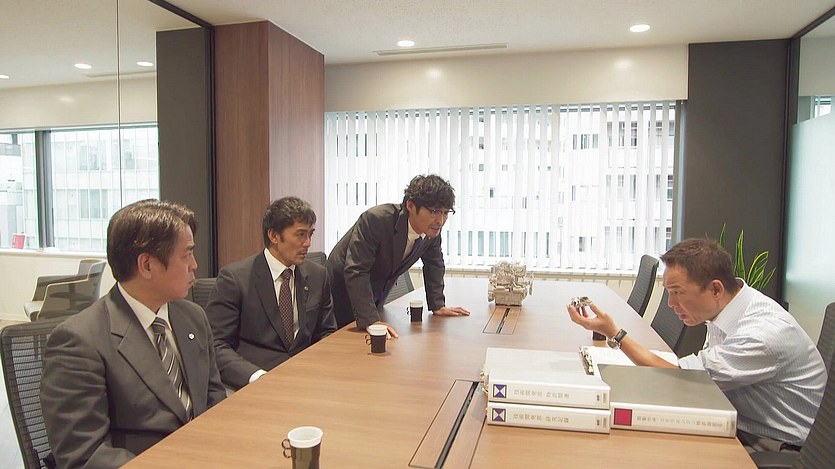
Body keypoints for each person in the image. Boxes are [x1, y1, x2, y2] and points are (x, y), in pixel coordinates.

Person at [567, 238, 826, 452]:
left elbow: (680, 378)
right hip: (740, 421)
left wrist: (614, 333)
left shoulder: (759, 335)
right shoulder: (732, 306)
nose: (671, 303)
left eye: (677, 292)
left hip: (778, 447)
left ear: (715, 289)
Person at [40, 200, 226, 469]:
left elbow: (213, 398)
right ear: (147, 265)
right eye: (186, 255)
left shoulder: (192, 317)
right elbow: (85, 456)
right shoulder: (79, 342)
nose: (194, 265)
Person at [207, 197, 337, 389]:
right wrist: (257, 377)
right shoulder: (235, 279)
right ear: (274, 236)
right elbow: (216, 345)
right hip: (257, 381)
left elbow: (327, 332)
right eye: (300, 235)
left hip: (307, 379)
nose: (308, 243)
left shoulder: (318, 276)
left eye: (310, 234)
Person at [327, 174, 470, 337]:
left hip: (373, 297)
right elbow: (356, 270)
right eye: (435, 211)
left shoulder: (431, 230)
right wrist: (370, 319)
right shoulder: (377, 219)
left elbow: (434, 263)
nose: (440, 220)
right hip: (340, 294)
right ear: (410, 205)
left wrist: (437, 305)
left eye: (445, 213)